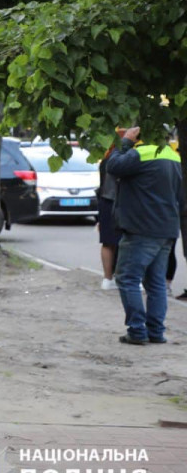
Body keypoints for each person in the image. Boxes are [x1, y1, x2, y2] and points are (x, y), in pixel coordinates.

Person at [107, 126, 184, 345]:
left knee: (127, 278)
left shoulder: (141, 153)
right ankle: (156, 332)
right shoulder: (172, 155)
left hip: (141, 229)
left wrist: (125, 142)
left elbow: (113, 166)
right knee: (156, 283)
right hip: (166, 228)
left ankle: (137, 330)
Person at [97, 145, 122, 290]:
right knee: (125, 242)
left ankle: (107, 279)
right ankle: (123, 277)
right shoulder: (124, 159)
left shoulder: (106, 159)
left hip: (105, 201)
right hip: (120, 202)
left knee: (107, 242)